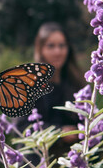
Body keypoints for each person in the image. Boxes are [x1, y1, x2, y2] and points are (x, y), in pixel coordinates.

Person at [17, 22, 85, 158]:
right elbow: (22, 127)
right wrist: (60, 133)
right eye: (51, 46)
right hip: (38, 164)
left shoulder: (76, 82)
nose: (58, 51)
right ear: (40, 49)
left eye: (62, 45)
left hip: (71, 161)